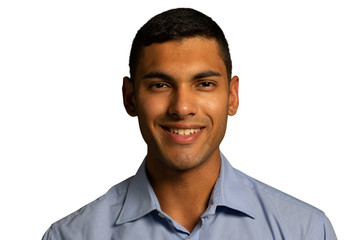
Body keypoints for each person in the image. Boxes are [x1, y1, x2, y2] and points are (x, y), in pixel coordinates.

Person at [42, 8, 337, 239]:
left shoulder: (306, 231)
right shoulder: (71, 236)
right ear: (130, 98)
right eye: (160, 85)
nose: (182, 107)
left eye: (204, 83)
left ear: (232, 96)